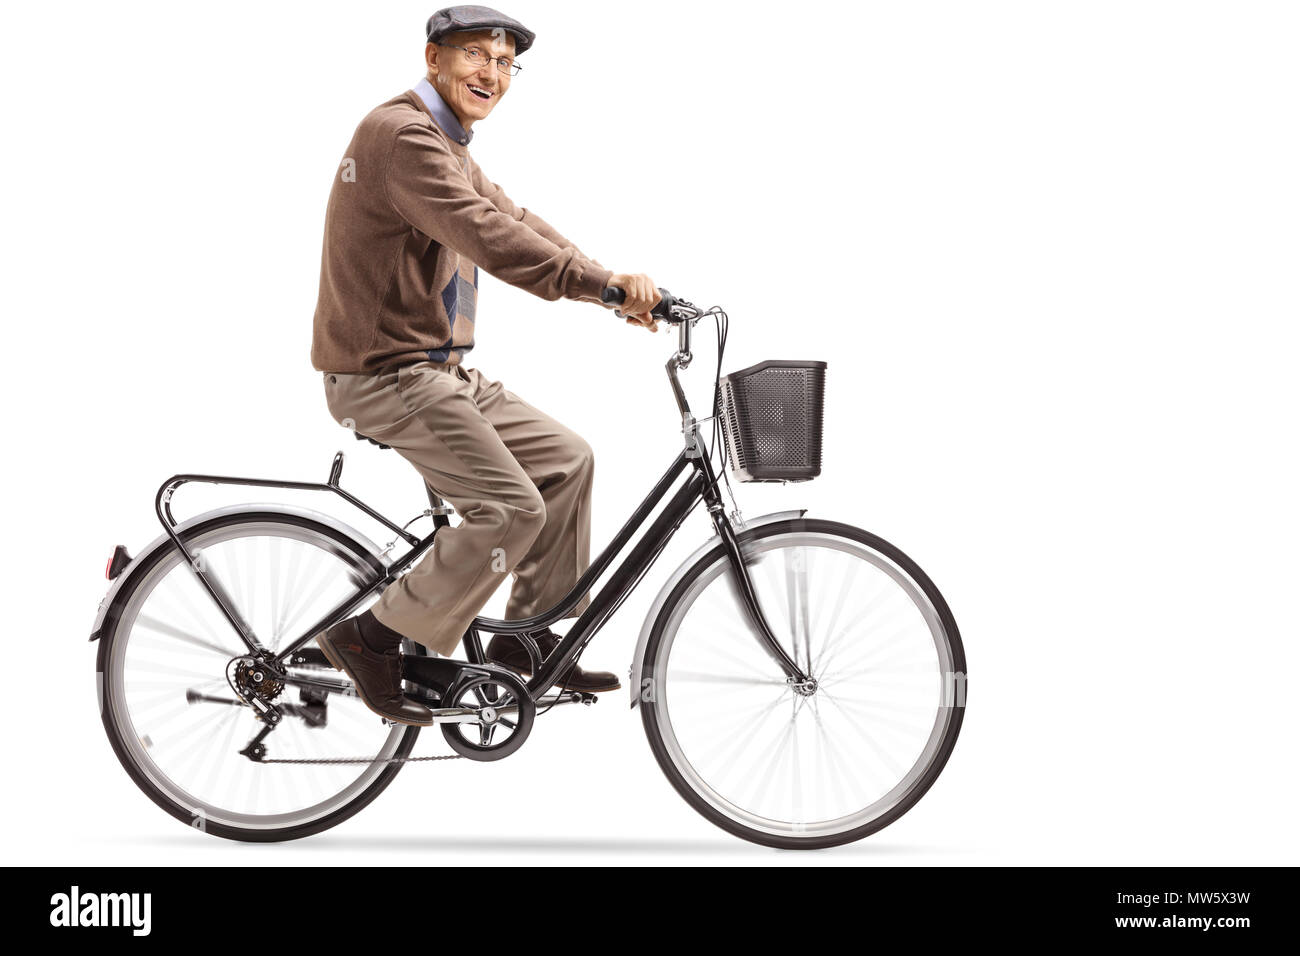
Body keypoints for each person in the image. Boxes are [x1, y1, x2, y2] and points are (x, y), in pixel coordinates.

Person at [309, 5, 661, 725]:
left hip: (437, 373)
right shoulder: (401, 136)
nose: (492, 75)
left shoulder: (445, 145)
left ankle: (521, 647)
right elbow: (491, 239)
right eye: (476, 57)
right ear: (434, 58)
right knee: (508, 509)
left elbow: (514, 217)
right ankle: (369, 638)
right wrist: (599, 287)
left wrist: (611, 284)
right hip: (384, 376)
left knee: (567, 461)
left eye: (504, 65)